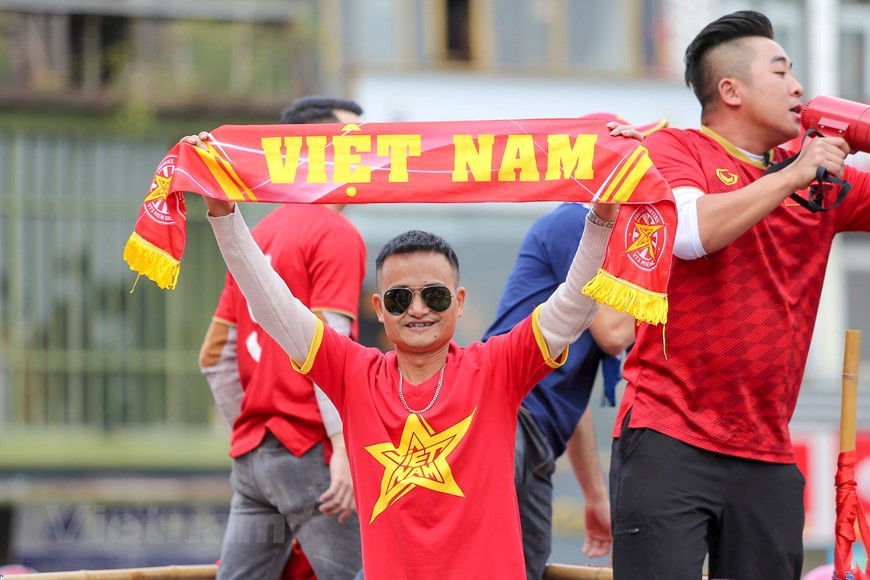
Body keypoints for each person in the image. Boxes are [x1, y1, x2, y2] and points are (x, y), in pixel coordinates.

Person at [189, 123, 619, 577]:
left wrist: (603, 217)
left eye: (434, 295)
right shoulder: (353, 373)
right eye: (399, 298)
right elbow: (272, 306)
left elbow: (573, 306)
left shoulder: (497, 366)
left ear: (459, 302)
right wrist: (224, 214)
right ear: (379, 308)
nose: (417, 309)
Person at [609, 10, 870, 580]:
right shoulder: (674, 149)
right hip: (668, 434)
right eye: (780, 72)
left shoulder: (823, 178)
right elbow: (688, 234)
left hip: (768, 450)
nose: (799, 88)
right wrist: (791, 176)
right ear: (731, 90)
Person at [198, 96, 366, 580]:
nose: (368, 150)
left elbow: (213, 356)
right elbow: (329, 348)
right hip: (312, 449)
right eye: (354, 140)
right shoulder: (335, 232)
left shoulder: (258, 234)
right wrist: (342, 448)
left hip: (256, 458)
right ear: (316, 149)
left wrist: (252, 425)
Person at [482, 120, 649, 579]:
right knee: (450, 551)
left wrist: (594, 496)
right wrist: (673, 278)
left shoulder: (611, 246)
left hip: (538, 434)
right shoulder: (576, 221)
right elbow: (613, 333)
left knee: (524, 568)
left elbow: (567, 394)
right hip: (503, 412)